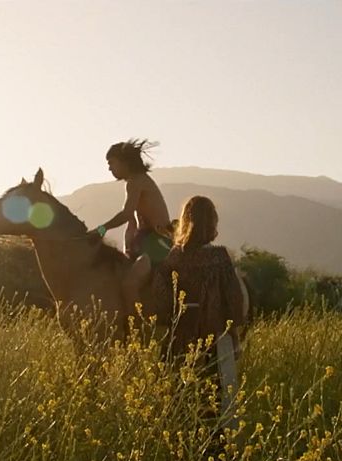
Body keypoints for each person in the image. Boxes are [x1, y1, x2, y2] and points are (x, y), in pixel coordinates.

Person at [152, 195, 245, 361]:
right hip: (216, 338)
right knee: (218, 385)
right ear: (212, 223)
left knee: (178, 384)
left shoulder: (175, 257)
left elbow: (161, 294)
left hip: (181, 339)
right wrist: (234, 339)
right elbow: (233, 301)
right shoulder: (220, 257)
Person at [89, 139, 173, 317]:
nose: (110, 168)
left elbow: (126, 214)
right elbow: (133, 221)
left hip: (157, 243)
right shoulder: (136, 182)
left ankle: (137, 328)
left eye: (112, 163)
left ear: (124, 162)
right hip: (146, 241)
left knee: (129, 284)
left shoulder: (136, 182)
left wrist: (101, 230)